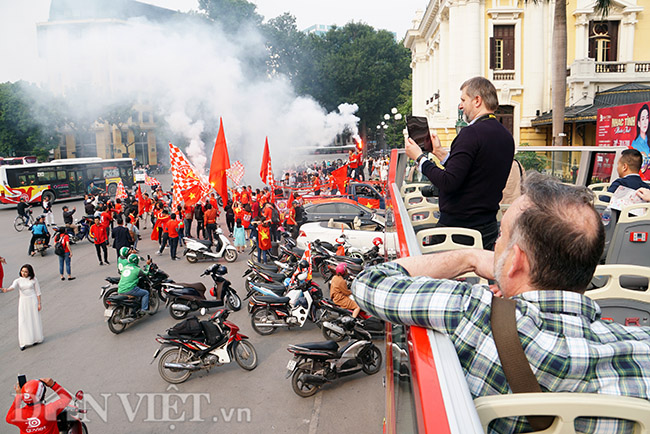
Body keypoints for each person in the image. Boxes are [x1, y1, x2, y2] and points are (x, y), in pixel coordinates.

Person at [352, 173, 650, 434]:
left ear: (515, 261)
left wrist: (465, 258)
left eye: (500, 237)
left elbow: (370, 283)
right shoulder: (641, 345)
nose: (494, 245)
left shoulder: (471, 312)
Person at [404, 76, 514, 250]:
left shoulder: (470, 134)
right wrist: (440, 153)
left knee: (435, 275)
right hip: (488, 227)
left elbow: (449, 182)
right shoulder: (506, 136)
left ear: (477, 100)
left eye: (463, 100)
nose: (460, 105)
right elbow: (473, 172)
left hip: (458, 231)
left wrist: (420, 159)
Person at [1, 264, 44, 350]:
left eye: (26, 272)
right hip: (23, 302)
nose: (24, 273)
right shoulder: (18, 280)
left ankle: (35, 338)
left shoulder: (34, 280)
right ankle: (23, 342)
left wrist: (39, 303)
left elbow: (38, 292)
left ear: (29, 272)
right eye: (22, 271)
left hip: (32, 301)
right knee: (23, 320)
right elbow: (13, 287)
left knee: (34, 319)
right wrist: (6, 290)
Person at [6, 377, 72, 432]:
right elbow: (67, 398)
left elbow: (8, 417)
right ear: (43, 395)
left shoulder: (17, 416)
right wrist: (53, 384)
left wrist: (18, 396)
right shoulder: (50, 410)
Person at [631, 104, 650, 177]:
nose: (645, 122)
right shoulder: (635, 145)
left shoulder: (648, 140)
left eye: (647, 118)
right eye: (643, 119)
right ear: (639, 123)